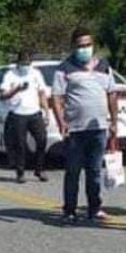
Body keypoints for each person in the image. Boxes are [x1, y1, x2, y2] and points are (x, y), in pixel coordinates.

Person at [52, 27, 118, 224]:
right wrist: (61, 121)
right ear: (74, 47)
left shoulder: (104, 65)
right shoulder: (64, 68)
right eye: (81, 46)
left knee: (95, 170)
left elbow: (111, 93)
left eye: (88, 45)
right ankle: (69, 209)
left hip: (98, 127)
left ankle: (94, 208)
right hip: (76, 129)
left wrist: (114, 121)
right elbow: (56, 97)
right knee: (73, 170)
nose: (85, 49)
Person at [0, 50, 49, 183]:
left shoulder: (36, 73)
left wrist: (46, 112)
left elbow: (42, 93)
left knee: (42, 140)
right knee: (20, 144)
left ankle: (39, 169)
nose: (25, 65)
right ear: (18, 62)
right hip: (18, 113)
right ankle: (20, 172)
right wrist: (16, 89)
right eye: (23, 63)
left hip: (34, 113)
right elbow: (2, 96)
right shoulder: (10, 75)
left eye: (27, 63)